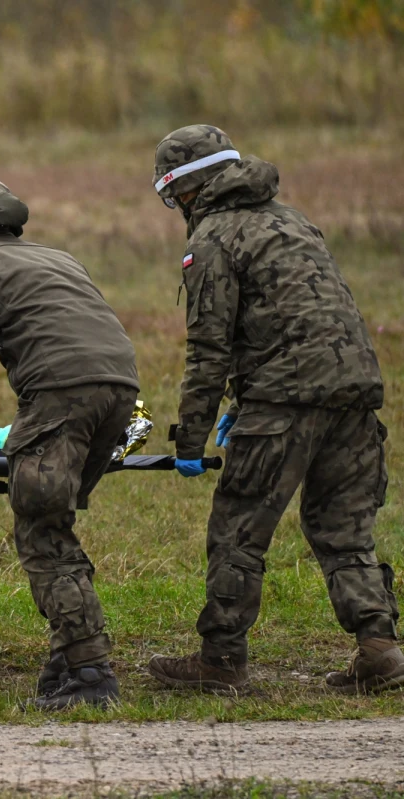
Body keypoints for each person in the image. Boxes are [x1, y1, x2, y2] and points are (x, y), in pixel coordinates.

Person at [147, 124, 401, 694]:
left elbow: (209, 347)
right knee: (343, 530)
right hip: (356, 392)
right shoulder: (293, 221)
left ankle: (221, 661)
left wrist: (190, 440)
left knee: (238, 531)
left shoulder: (212, 238)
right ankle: (379, 648)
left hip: (284, 401)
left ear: (190, 187)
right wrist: (244, 399)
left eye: (174, 194)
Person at [0, 177, 140, 710]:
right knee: (56, 526)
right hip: (122, 391)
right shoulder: (58, 258)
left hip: (60, 396)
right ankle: (66, 659)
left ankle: (91, 675)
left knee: (44, 535)